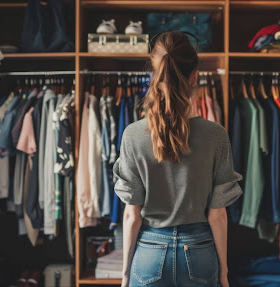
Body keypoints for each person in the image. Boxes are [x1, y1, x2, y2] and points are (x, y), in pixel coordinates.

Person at [113, 31, 243, 287]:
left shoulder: (132, 135)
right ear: (194, 75)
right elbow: (218, 216)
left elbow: (132, 216)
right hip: (199, 253)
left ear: (155, 70)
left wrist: (126, 273)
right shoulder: (216, 135)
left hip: (149, 254)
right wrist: (224, 272)